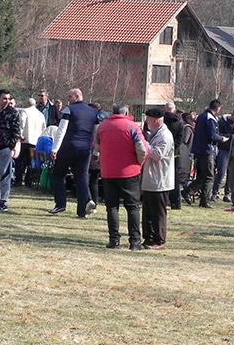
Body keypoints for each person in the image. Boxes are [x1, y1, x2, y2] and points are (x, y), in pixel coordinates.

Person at [95, 103, 147, 250]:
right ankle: (135, 242)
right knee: (132, 207)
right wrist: (139, 163)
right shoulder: (133, 127)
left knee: (111, 207)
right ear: (126, 113)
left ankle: (114, 240)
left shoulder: (102, 127)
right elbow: (142, 149)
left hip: (108, 171)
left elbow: (97, 147)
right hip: (129, 172)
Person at [49, 89, 99, 218]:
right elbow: (96, 134)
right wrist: (95, 152)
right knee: (82, 178)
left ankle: (60, 204)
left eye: (70, 96)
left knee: (58, 174)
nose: (68, 99)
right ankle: (82, 211)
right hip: (85, 149)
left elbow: (61, 130)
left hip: (69, 146)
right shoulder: (94, 113)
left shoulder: (69, 109)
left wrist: (55, 149)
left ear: (77, 96)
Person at [183, 99, 226, 208]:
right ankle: (203, 200)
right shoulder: (210, 119)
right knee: (209, 176)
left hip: (198, 150)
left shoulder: (202, 116)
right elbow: (212, 136)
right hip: (208, 150)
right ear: (218, 108)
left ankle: (188, 191)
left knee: (202, 175)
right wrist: (222, 139)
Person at [141, 108, 174, 249]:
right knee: (148, 211)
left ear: (154, 120)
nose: (146, 122)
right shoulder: (155, 134)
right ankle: (148, 237)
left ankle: (159, 240)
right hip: (151, 178)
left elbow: (157, 155)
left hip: (160, 179)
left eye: (147, 119)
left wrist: (144, 143)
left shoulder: (165, 136)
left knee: (158, 212)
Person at [0, 89, 21, 212]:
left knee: (5, 175)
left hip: (5, 149)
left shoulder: (13, 113)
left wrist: (11, 147)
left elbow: (16, 131)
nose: (6, 101)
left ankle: (3, 201)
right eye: (4, 98)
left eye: (8, 98)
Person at [16, 97, 46, 188]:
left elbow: (22, 123)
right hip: (35, 142)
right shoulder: (41, 115)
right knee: (30, 161)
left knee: (19, 161)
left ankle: (18, 180)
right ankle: (28, 181)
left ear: (27, 104)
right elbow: (44, 128)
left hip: (24, 140)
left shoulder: (24, 111)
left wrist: (20, 135)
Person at [213, 108, 234, 202]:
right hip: (224, 149)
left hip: (233, 150)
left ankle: (227, 193)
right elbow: (218, 134)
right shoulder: (221, 122)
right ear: (232, 114)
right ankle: (215, 192)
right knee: (221, 171)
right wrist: (229, 137)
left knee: (231, 173)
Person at [163, 102, 183, 210]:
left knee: (162, 177)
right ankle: (175, 202)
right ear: (174, 110)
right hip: (175, 154)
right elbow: (180, 139)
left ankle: (164, 201)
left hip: (162, 153)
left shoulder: (161, 121)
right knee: (175, 178)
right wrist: (173, 149)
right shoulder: (178, 123)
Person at [177, 112, 195, 200]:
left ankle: (184, 192)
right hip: (189, 152)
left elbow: (185, 140)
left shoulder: (187, 128)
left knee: (185, 174)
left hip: (187, 153)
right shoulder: (190, 127)